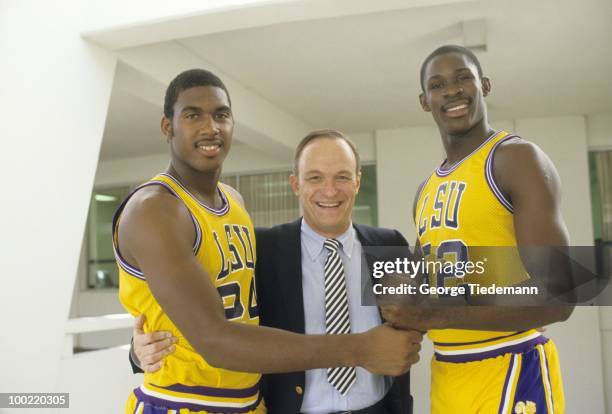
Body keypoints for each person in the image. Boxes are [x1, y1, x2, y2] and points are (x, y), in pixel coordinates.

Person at [114, 69, 421, 414]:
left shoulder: (387, 245)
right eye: (315, 178)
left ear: (358, 182)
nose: (330, 190)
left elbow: (460, 298)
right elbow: (207, 332)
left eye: (342, 177)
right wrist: (137, 350)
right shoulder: (268, 248)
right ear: (295, 184)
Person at [381, 45, 573, 413]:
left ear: (484, 85)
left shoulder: (516, 159)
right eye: (437, 85)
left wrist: (435, 315)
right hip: (449, 371)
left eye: (463, 77)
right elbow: (425, 284)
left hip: (512, 365)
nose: (451, 90)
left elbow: (561, 295)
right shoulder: (426, 190)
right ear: (425, 101)